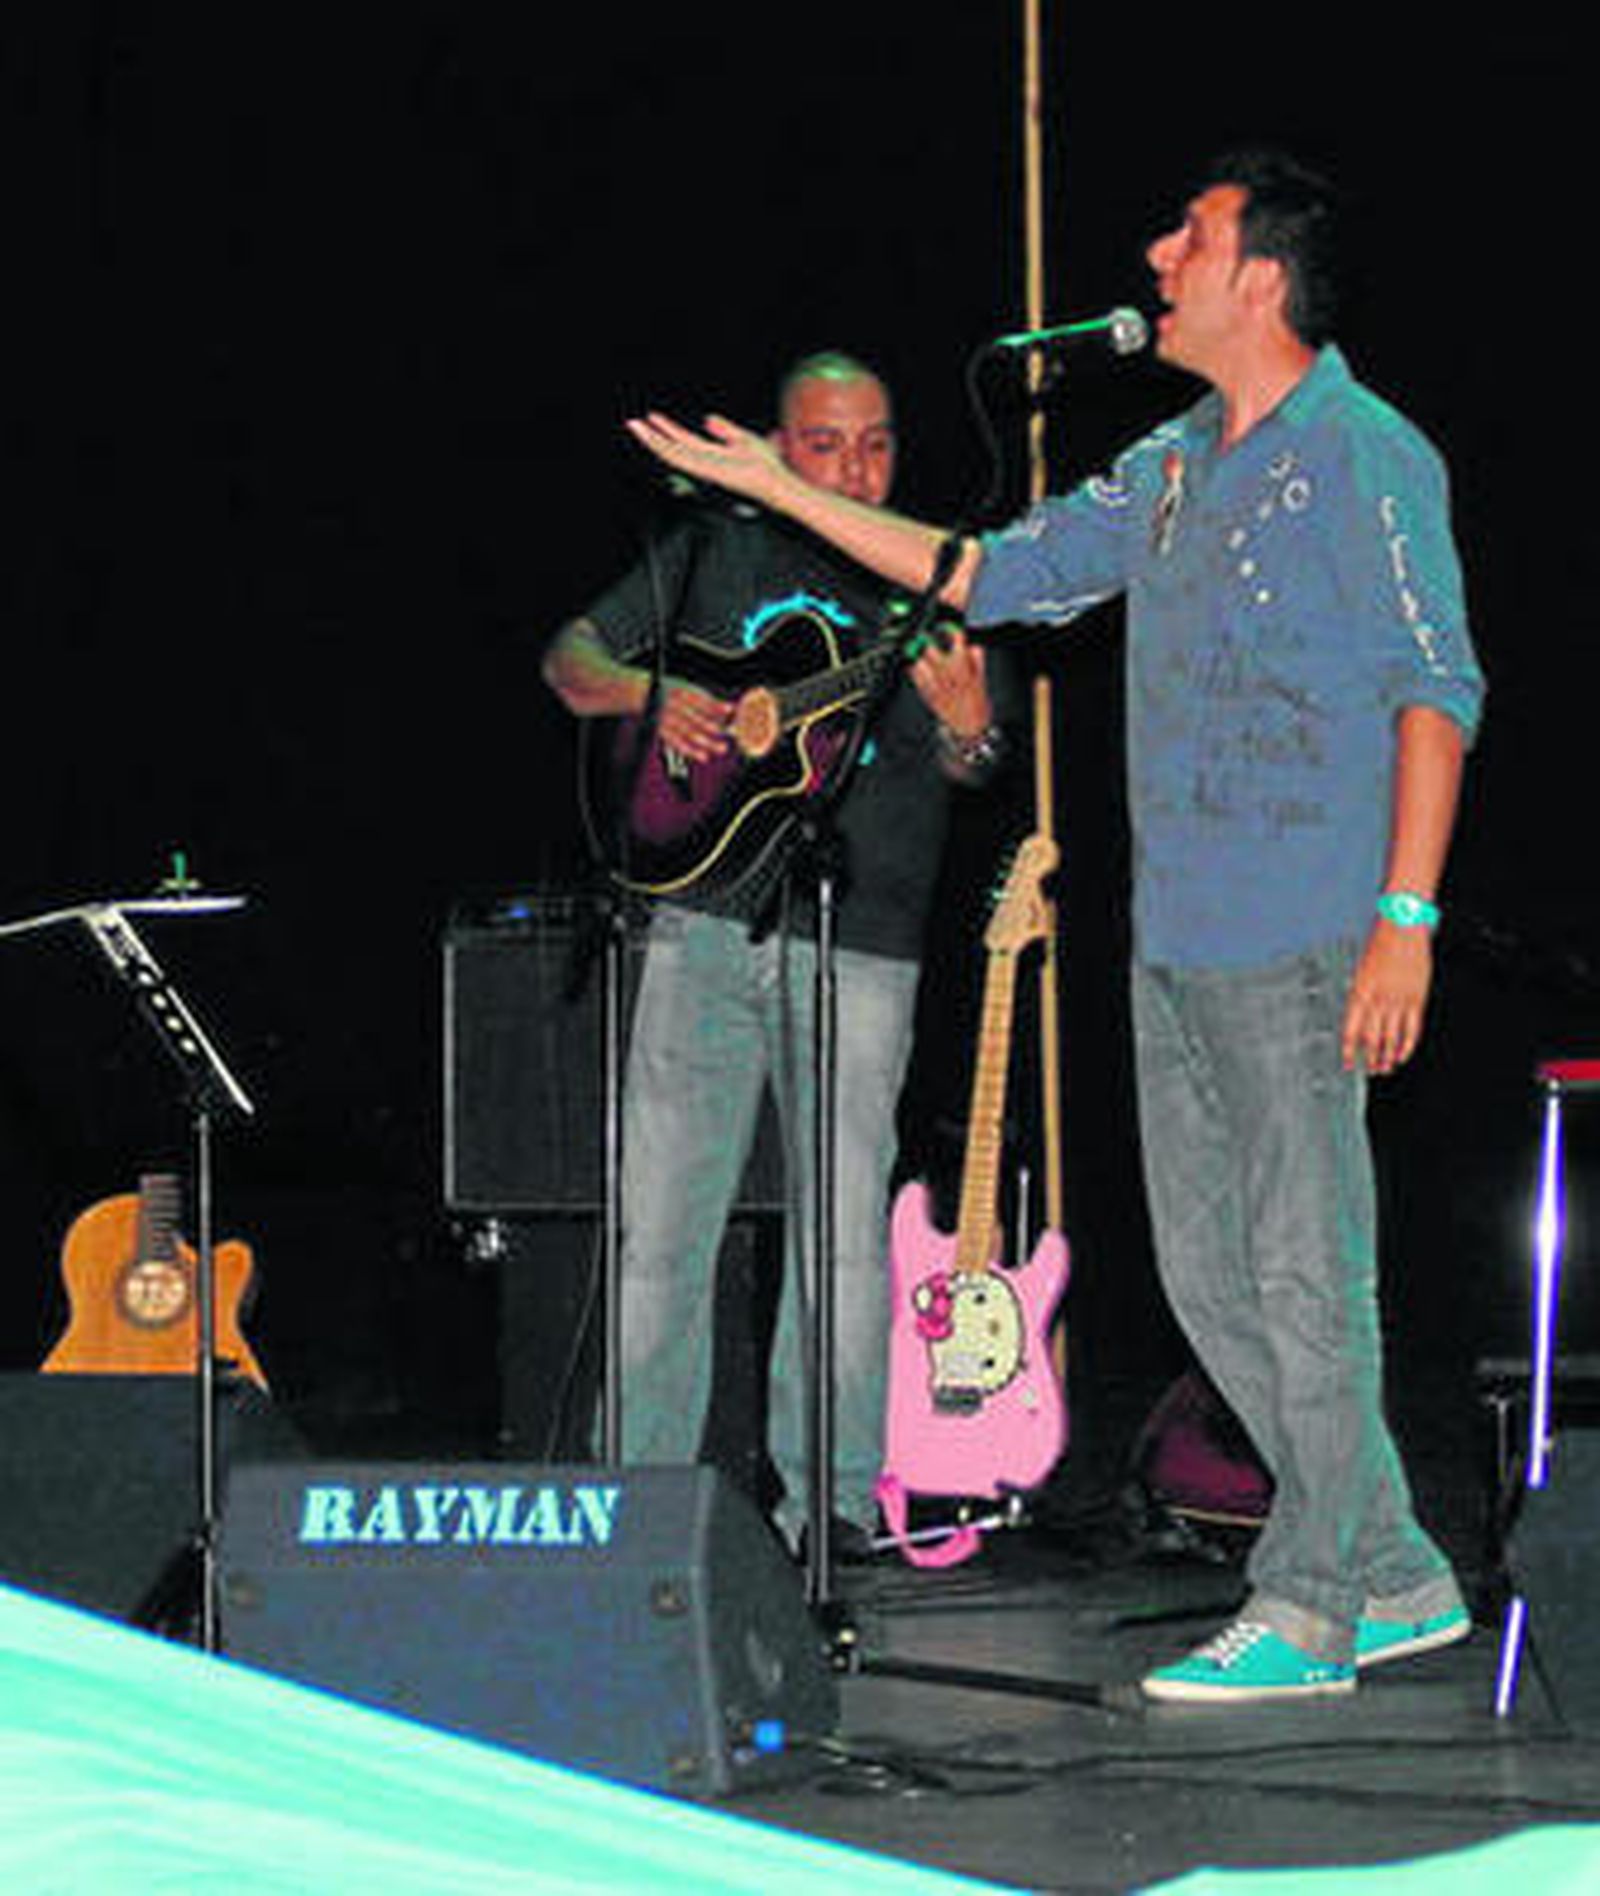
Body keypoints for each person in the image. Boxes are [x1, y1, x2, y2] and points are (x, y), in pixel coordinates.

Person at [622, 148, 1486, 1700]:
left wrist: (1404, 916)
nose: (1157, 253)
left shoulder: (1370, 455)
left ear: (1260, 280)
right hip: (1177, 943)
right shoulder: (1164, 468)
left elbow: (1439, 690)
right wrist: (775, 487)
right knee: (1214, 1280)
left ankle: (1307, 1602)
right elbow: (987, 574)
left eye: (1192, 235)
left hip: (1309, 937)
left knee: (1301, 1271)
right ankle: (1395, 1568)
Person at [542, 351, 1010, 1551]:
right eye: (824, 444)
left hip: (862, 939)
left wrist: (970, 734)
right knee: (657, 1231)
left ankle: (834, 1509)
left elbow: (972, 765)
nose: (854, 466)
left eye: (876, 443)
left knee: (842, 1236)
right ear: (776, 446)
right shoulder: (719, 552)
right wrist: (649, 697)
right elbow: (569, 661)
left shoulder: (934, 578)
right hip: (696, 920)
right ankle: (627, 1506)